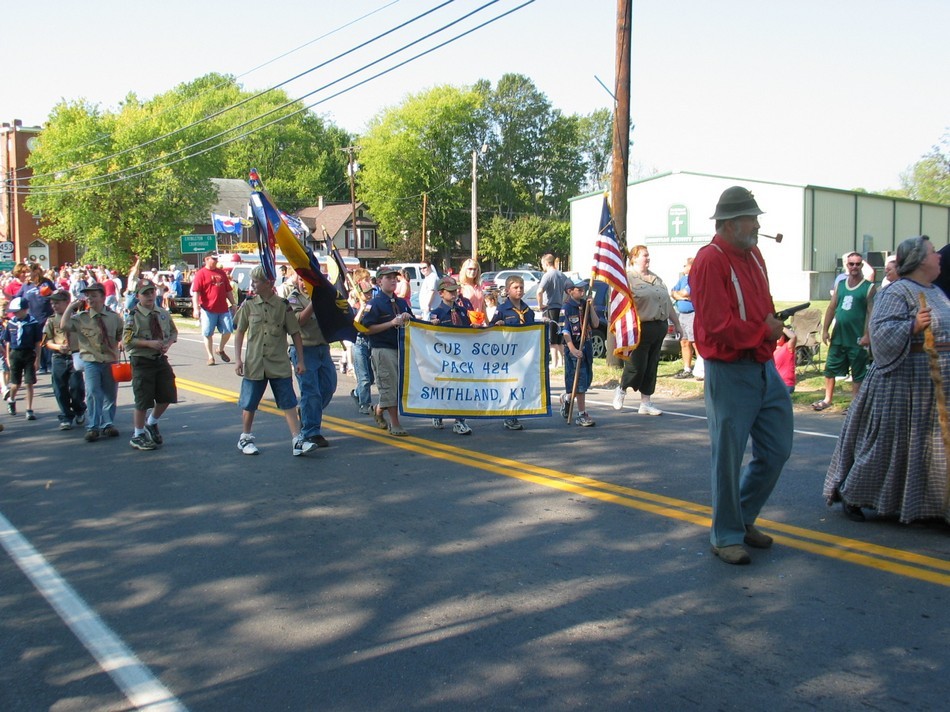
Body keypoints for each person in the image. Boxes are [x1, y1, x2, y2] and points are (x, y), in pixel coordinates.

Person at [691, 186, 792, 566]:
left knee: (778, 447)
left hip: (763, 366)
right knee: (728, 457)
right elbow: (717, 325)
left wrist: (772, 327)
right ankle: (726, 535)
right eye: (752, 217)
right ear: (731, 224)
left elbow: (761, 307)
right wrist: (763, 331)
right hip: (730, 370)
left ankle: (742, 517)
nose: (758, 224)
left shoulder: (754, 255)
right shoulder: (709, 260)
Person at [824, 235, 950, 524]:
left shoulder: (937, 292)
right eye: (933, 252)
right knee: (888, 446)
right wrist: (913, 325)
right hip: (903, 384)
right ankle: (853, 493)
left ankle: (933, 504)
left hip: (935, 385)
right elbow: (879, 337)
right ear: (918, 260)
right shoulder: (896, 292)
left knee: (931, 449)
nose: (939, 256)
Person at [232, 266, 315, 457]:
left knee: (288, 402)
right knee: (249, 402)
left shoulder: (283, 305)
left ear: (268, 283)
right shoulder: (249, 304)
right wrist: (238, 359)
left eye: (256, 281)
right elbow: (239, 332)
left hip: (278, 363)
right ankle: (245, 437)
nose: (252, 285)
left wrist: (300, 360)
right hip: (255, 363)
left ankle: (297, 440)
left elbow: (295, 333)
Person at [613, 245, 681, 415]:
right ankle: (622, 389)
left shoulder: (656, 279)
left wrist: (677, 324)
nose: (648, 258)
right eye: (644, 255)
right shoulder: (628, 279)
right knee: (637, 365)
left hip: (659, 326)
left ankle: (646, 402)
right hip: (640, 328)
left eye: (648, 255)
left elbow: (667, 304)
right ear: (634, 258)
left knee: (651, 366)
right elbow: (620, 305)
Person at [812, 252, 876, 411]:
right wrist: (825, 330)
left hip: (857, 338)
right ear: (846, 265)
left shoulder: (868, 287)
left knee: (858, 372)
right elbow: (832, 307)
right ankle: (827, 399)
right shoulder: (840, 285)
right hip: (839, 336)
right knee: (830, 368)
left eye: (857, 264)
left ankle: (854, 403)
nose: (854, 267)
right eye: (851, 264)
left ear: (862, 265)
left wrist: (868, 334)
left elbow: (871, 313)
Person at [62, 282, 124, 442]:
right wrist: (70, 307)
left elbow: (122, 335)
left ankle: (108, 424)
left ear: (103, 297)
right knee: (92, 393)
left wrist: (123, 341)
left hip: (110, 360)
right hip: (91, 360)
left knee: (110, 394)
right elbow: (64, 325)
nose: (90, 299)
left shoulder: (114, 317)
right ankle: (93, 427)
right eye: (88, 296)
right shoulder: (81, 318)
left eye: (94, 295)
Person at [122, 279, 178, 451]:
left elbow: (173, 331)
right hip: (142, 361)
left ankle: (151, 422)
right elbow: (127, 340)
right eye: (145, 293)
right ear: (138, 296)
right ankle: (137, 434)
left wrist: (168, 343)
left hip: (159, 360)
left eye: (152, 292)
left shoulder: (162, 313)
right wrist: (148, 344)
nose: (149, 296)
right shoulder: (133, 316)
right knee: (143, 400)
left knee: (168, 395)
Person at [359, 266, 412, 436]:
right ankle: (395, 424)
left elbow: (414, 323)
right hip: (382, 349)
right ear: (379, 281)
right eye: (388, 278)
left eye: (394, 278)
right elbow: (365, 329)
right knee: (389, 385)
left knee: (399, 387)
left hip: (402, 349)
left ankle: (378, 409)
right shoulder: (374, 304)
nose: (392, 281)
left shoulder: (401, 302)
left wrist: (408, 318)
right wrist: (391, 323)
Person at [286, 274, 337, 448]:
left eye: (308, 281)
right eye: (301, 280)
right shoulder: (293, 298)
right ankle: (310, 433)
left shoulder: (324, 297)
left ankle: (307, 412)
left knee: (329, 387)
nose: (304, 284)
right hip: (304, 351)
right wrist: (314, 302)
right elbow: (299, 320)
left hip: (323, 348)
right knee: (311, 392)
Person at [428, 276, 475, 435]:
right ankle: (438, 413)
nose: (454, 293)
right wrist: (432, 326)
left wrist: (474, 328)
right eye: (450, 291)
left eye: (455, 290)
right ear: (441, 293)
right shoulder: (437, 313)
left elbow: (468, 331)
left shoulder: (462, 311)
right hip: (444, 359)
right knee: (445, 388)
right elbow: (428, 336)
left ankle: (459, 421)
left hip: (461, 358)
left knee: (461, 388)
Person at [490, 274, 537, 431]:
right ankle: (509, 416)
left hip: (523, 354)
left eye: (521, 287)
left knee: (520, 383)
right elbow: (491, 329)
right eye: (515, 287)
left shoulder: (528, 311)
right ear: (508, 290)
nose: (519, 290)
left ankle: (516, 411)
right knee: (510, 384)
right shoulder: (502, 309)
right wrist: (498, 325)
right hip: (508, 354)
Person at [43, 290, 86, 430]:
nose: (54, 305)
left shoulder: (77, 318)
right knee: (60, 388)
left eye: (57, 302)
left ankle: (79, 409)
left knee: (76, 387)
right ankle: (66, 416)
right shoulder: (51, 320)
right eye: (52, 303)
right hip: (59, 356)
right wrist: (57, 346)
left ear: (67, 303)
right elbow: (46, 341)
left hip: (75, 355)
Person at [559, 279, 599, 427]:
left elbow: (595, 324)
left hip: (586, 346)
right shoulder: (566, 308)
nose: (582, 291)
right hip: (574, 348)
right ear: (570, 291)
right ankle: (582, 414)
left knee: (586, 380)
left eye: (583, 288)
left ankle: (567, 398)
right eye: (579, 289)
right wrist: (573, 349)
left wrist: (592, 307)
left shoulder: (585, 305)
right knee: (580, 382)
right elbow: (565, 332)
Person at [191, 253, 237, 366]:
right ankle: (210, 357)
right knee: (207, 333)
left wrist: (234, 304)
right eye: (213, 259)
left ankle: (220, 349)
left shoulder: (221, 273)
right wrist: (195, 308)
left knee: (228, 330)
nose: (216, 261)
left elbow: (228, 290)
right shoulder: (201, 274)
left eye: (216, 259)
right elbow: (196, 292)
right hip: (208, 309)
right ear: (207, 259)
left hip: (223, 308)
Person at [1, 296, 43, 419]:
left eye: (17, 311)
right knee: (15, 384)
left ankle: (29, 409)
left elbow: (37, 343)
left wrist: (38, 359)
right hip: (15, 354)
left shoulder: (33, 324)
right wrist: (8, 358)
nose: (14, 313)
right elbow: (8, 342)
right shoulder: (11, 323)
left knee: (29, 383)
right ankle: (11, 399)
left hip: (29, 354)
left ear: (25, 310)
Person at [537, 254, 572, 369]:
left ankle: (555, 363)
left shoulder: (547, 275)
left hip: (550, 308)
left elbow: (539, 291)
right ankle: (562, 361)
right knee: (559, 335)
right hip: (561, 309)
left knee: (551, 337)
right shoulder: (562, 275)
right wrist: (565, 301)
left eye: (542, 264)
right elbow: (570, 290)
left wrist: (540, 305)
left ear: (546, 263)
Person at [349, 268, 376, 416]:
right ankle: (365, 404)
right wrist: (361, 309)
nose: (369, 295)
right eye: (366, 293)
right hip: (358, 341)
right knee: (364, 377)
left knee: (370, 378)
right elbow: (353, 324)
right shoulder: (354, 306)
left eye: (371, 292)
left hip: (370, 341)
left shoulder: (372, 305)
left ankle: (357, 392)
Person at [670, 257, 697, 379]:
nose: (684, 267)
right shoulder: (683, 279)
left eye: (685, 265)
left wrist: (681, 295)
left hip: (693, 314)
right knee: (684, 341)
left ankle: (702, 368)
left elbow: (687, 293)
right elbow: (673, 292)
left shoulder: (695, 279)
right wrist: (682, 297)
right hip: (682, 315)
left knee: (695, 342)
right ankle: (687, 368)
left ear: (691, 266)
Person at [772, 327, 798, 394]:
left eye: (780, 335)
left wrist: (780, 326)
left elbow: (793, 337)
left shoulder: (787, 347)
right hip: (775, 384)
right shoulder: (771, 349)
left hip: (786, 384)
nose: (778, 337)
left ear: (784, 336)